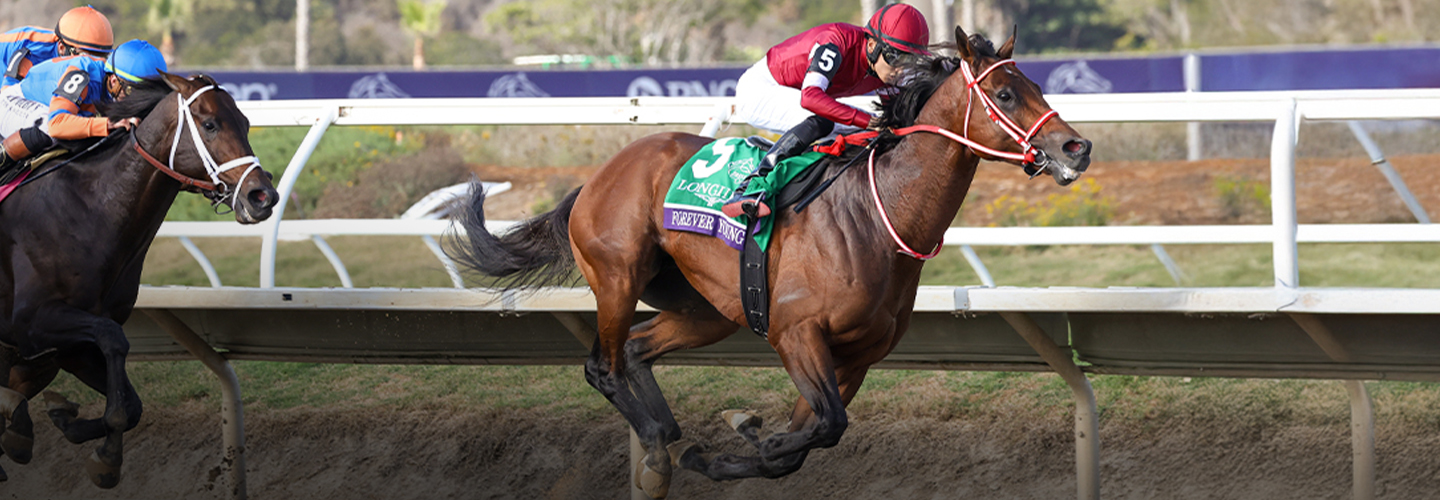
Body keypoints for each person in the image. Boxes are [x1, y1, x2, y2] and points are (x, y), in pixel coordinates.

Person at [722, 3, 931, 218]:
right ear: (872, 46)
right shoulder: (836, 42)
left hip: (797, 97)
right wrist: (867, 121)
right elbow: (810, 98)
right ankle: (751, 185)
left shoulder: (887, 69)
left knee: (865, 129)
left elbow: (893, 120)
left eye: (910, 61)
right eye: (896, 58)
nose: (901, 69)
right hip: (760, 90)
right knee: (825, 119)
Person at [0, 39, 166, 178]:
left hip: (45, 107)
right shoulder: (82, 74)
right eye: (133, 92)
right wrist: (107, 124)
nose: (137, 101)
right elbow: (57, 124)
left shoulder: (114, 83)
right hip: (13, 102)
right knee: (48, 129)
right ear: (114, 81)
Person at [0, 6, 115, 89]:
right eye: (83, 56)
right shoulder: (34, 52)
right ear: (61, 48)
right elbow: (8, 99)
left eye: (101, 57)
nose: (92, 63)